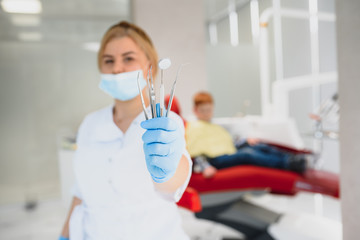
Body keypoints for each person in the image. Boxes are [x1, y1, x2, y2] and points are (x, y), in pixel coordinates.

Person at [58, 21, 192, 240]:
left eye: (128, 59)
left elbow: (172, 185)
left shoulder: (165, 121)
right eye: (108, 61)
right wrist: (65, 235)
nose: (117, 68)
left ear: (150, 67)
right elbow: (81, 191)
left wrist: (166, 171)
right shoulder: (90, 123)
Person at [185, 91, 308, 179]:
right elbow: (196, 153)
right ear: (195, 110)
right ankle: (287, 164)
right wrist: (205, 167)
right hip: (216, 160)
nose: (206, 114)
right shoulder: (194, 127)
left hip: (228, 152)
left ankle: (292, 157)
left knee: (258, 146)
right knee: (247, 154)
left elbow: (227, 142)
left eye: (209, 110)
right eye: (203, 111)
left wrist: (245, 141)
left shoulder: (214, 126)